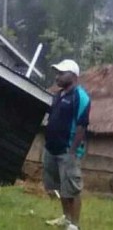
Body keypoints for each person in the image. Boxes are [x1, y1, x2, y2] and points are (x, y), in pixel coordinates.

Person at [44, 59, 91, 230]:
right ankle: (66, 217)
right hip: (51, 148)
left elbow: (81, 126)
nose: (57, 76)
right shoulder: (58, 95)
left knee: (72, 189)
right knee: (59, 187)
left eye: (61, 73)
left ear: (73, 75)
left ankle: (74, 225)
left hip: (67, 150)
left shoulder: (81, 97)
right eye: (57, 73)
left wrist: (72, 153)